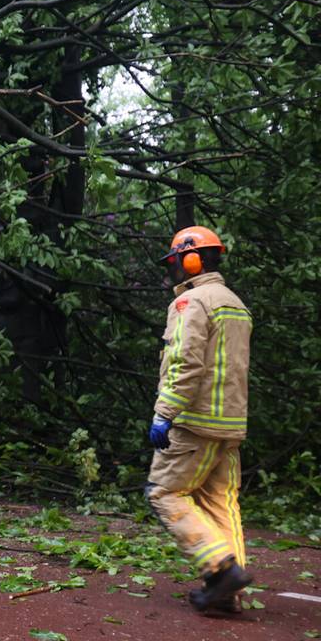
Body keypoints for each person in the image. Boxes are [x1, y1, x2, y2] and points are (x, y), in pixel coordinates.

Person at [146, 226, 253, 613]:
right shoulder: (234, 302)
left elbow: (185, 363)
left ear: (191, 259)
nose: (174, 269)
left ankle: (221, 570)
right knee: (221, 503)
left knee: (164, 493)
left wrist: (164, 413)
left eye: (175, 261)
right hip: (230, 422)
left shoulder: (192, 302)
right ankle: (227, 592)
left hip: (195, 421)